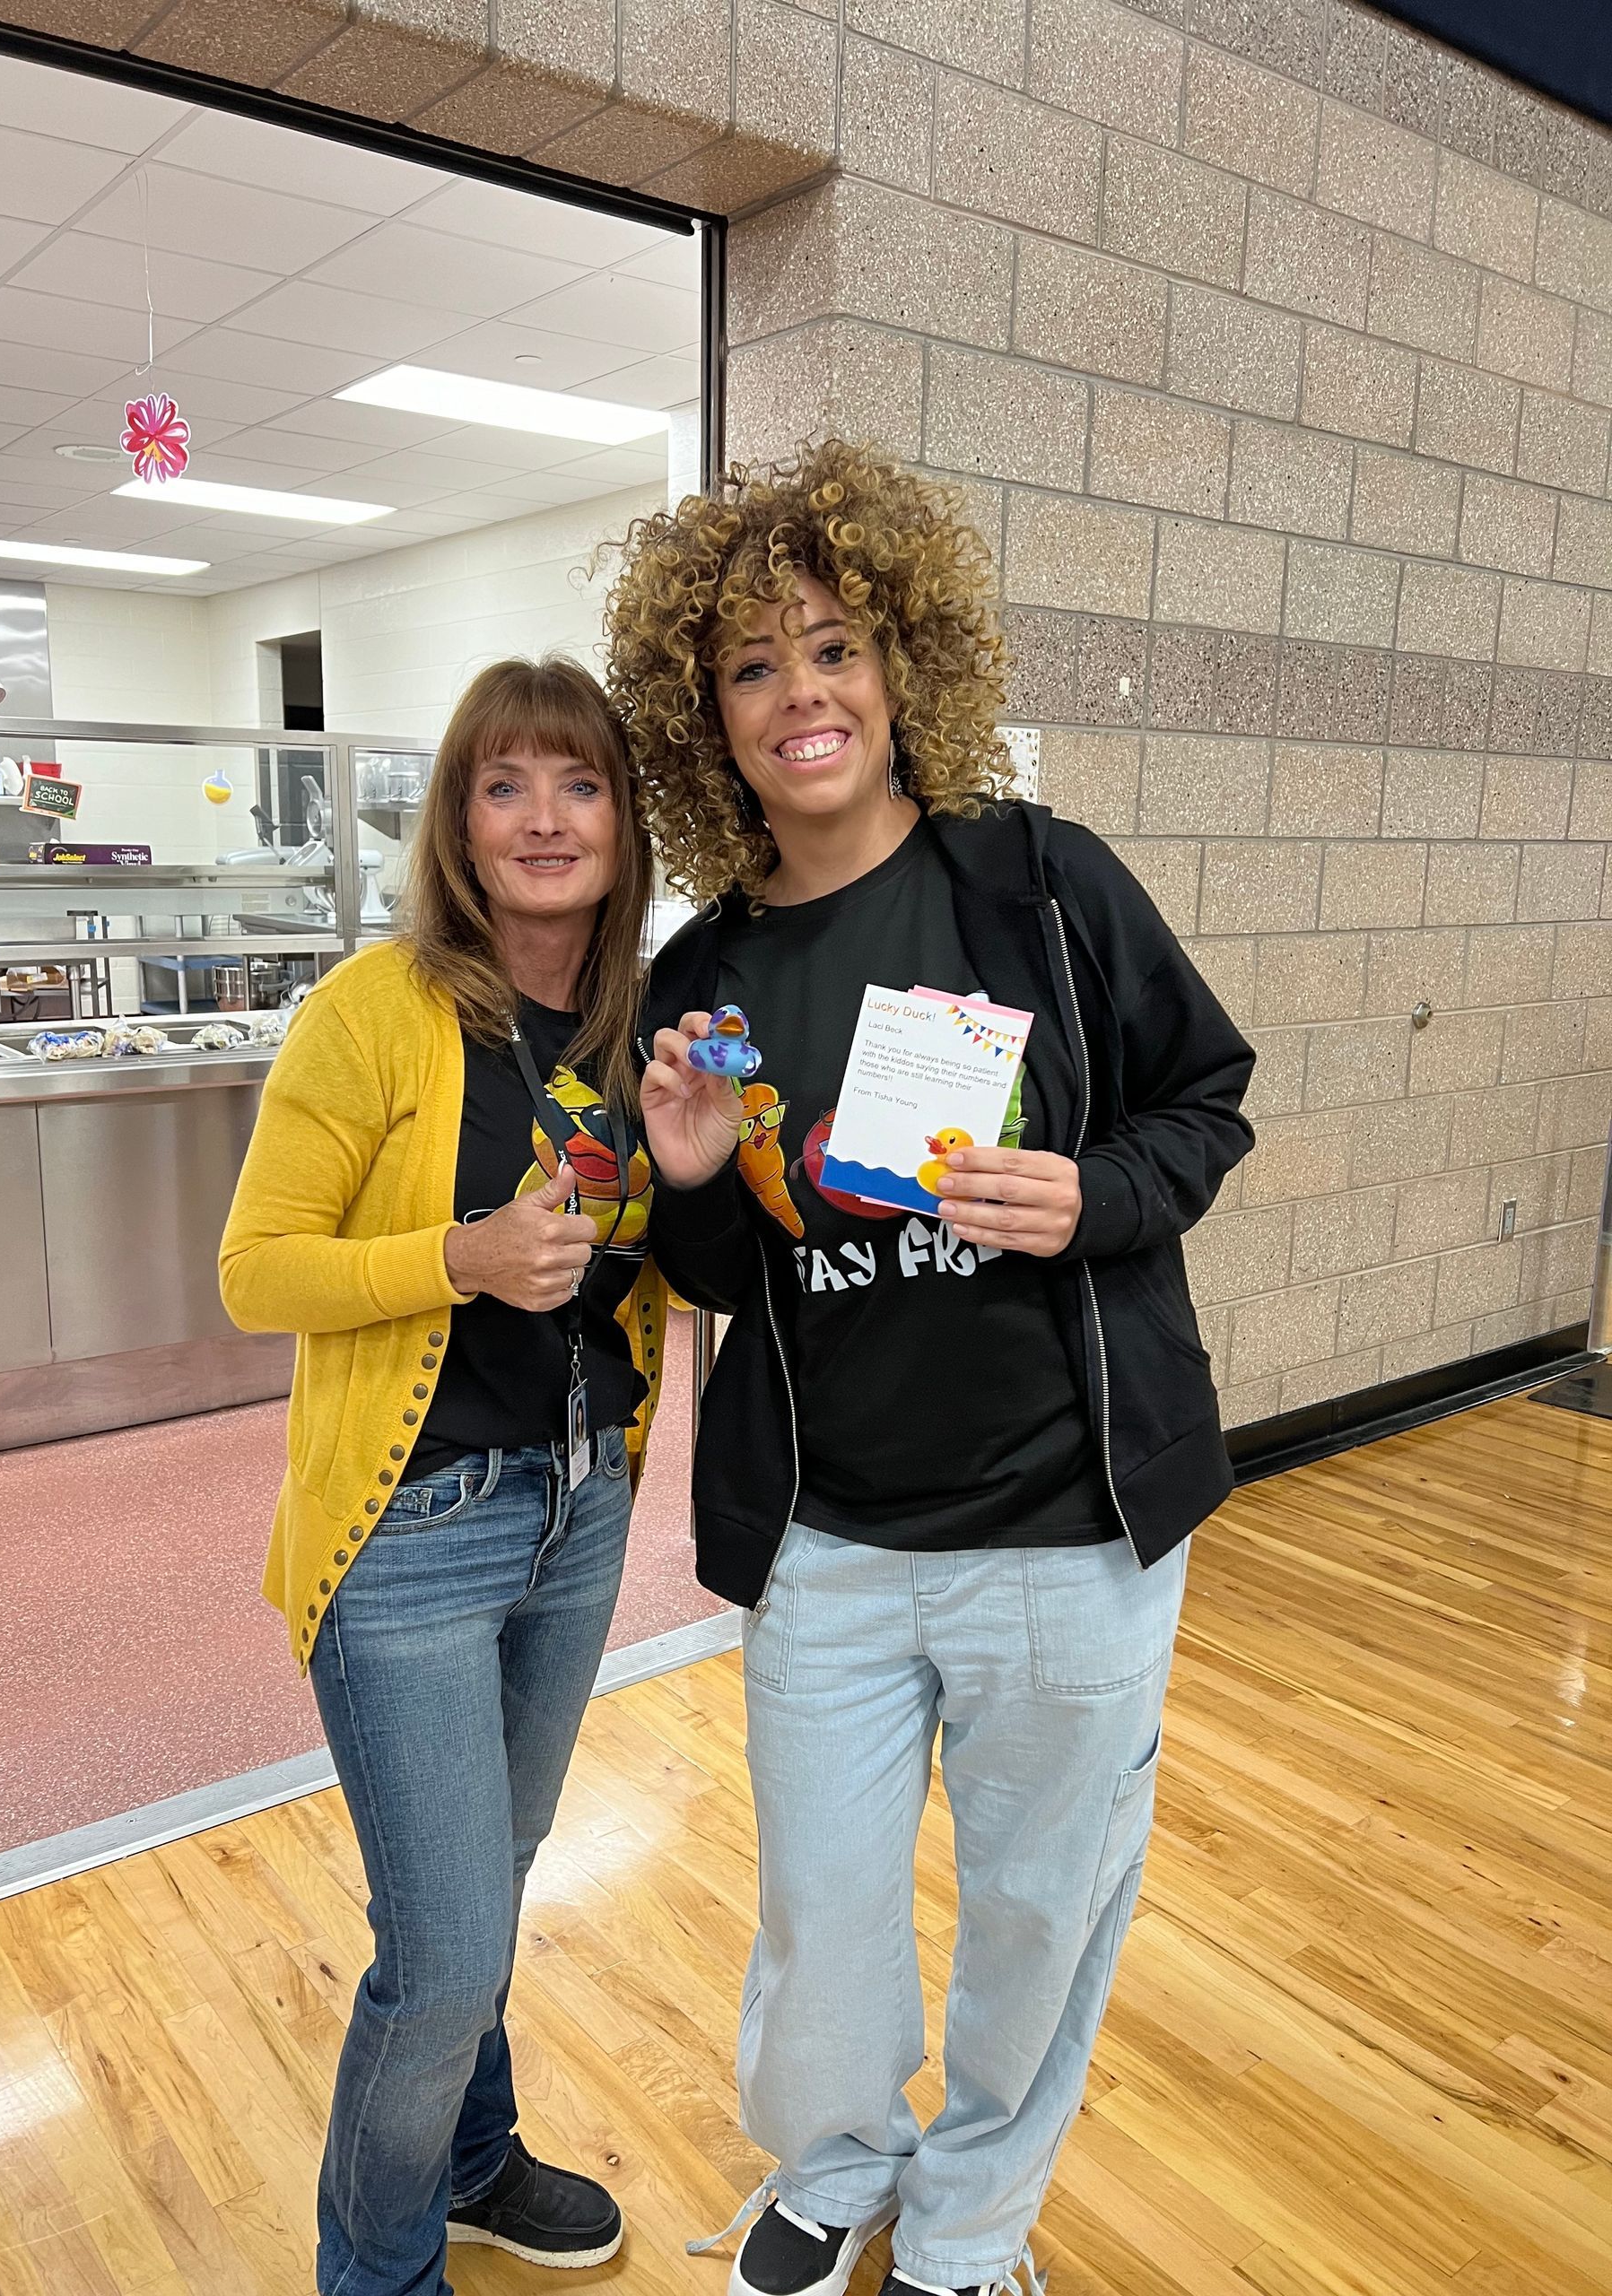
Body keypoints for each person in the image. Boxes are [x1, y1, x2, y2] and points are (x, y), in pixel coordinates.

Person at [604, 442, 1255, 2296]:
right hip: (833, 1540)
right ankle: (833, 2167)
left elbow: (1206, 1103)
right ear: (702, 714)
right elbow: (724, 1277)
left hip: (1071, 1526)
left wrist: (1096, 1191)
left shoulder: (1039, 886)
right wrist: (693, 1176)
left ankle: (972, 2225)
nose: (800, 694)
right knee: (822, 1920)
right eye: (751, 666)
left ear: (902, 668)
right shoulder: (704, 969)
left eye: (833, 647)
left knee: (1043, 1912)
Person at [219, 656, 666, 2296]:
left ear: (624, 820)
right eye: (505, 786)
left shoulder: (639, 1027)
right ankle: (380, 2267)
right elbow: (255, 1271)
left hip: (581, 1508)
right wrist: (458, 1258)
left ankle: (472, 2164)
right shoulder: (375, 1008)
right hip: (412, 1534)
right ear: (458, 826)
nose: (545, 820)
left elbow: (660, 1254)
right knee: (446, 1946)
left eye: (581, 786)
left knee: (497, 1879)